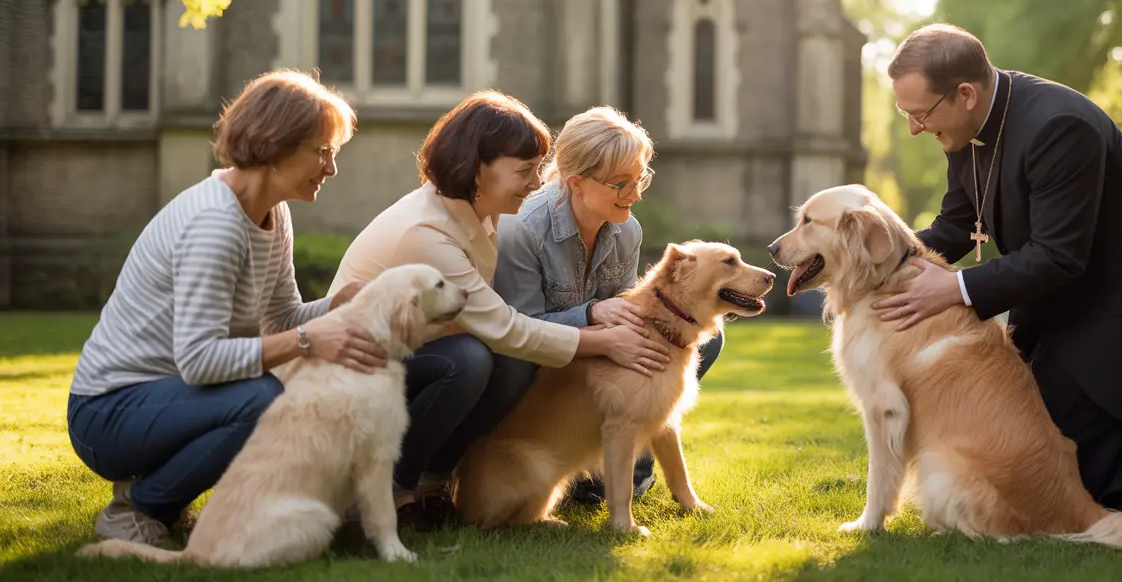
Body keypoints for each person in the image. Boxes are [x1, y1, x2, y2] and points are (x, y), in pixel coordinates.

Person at [871, 23, 1122, 514]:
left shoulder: (1060, 126)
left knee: (1091, 488)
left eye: (921, 114)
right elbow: (956, 226)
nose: (915, 128)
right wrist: (876, 260)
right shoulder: (966, 128)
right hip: (1058, 299)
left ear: (965, 94)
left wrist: (955, 287)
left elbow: (1059, 255)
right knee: (1025, 454)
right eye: (906, 114)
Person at [66, 70, 382, 548]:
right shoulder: (214, 223)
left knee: (262, 393)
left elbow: (281, 317)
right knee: (259, 400)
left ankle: (157, 492)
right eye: (323, 151)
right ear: (276, 144)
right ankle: (139, 508)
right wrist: (309, 340)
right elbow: (200, 360)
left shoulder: (273, 213)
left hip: (164, 400)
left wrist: (335, 307)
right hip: (106, 413)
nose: (331, 168)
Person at [326, 90, 667, 529]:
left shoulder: (484, 213)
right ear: (475, 169)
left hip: (414, 355)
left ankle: (435, 482)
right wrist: (602, 337)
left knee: (485, 359)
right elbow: (506, 329)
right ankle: (395, 489)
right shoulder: (428, 231)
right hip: (358, 369)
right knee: (474, 360)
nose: (538, 182)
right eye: (525, 171)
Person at [493, 106, 725, 504]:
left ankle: (625, 466)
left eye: (640, 180)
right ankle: (585, 462)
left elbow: (630, 306)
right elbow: (519, 327)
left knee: (694, 341)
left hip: (594, 357)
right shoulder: (523, 229)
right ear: (576, 183)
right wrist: (591, 314)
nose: (634, 195)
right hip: (529, 361)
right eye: (621, 184)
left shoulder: (625, 228)